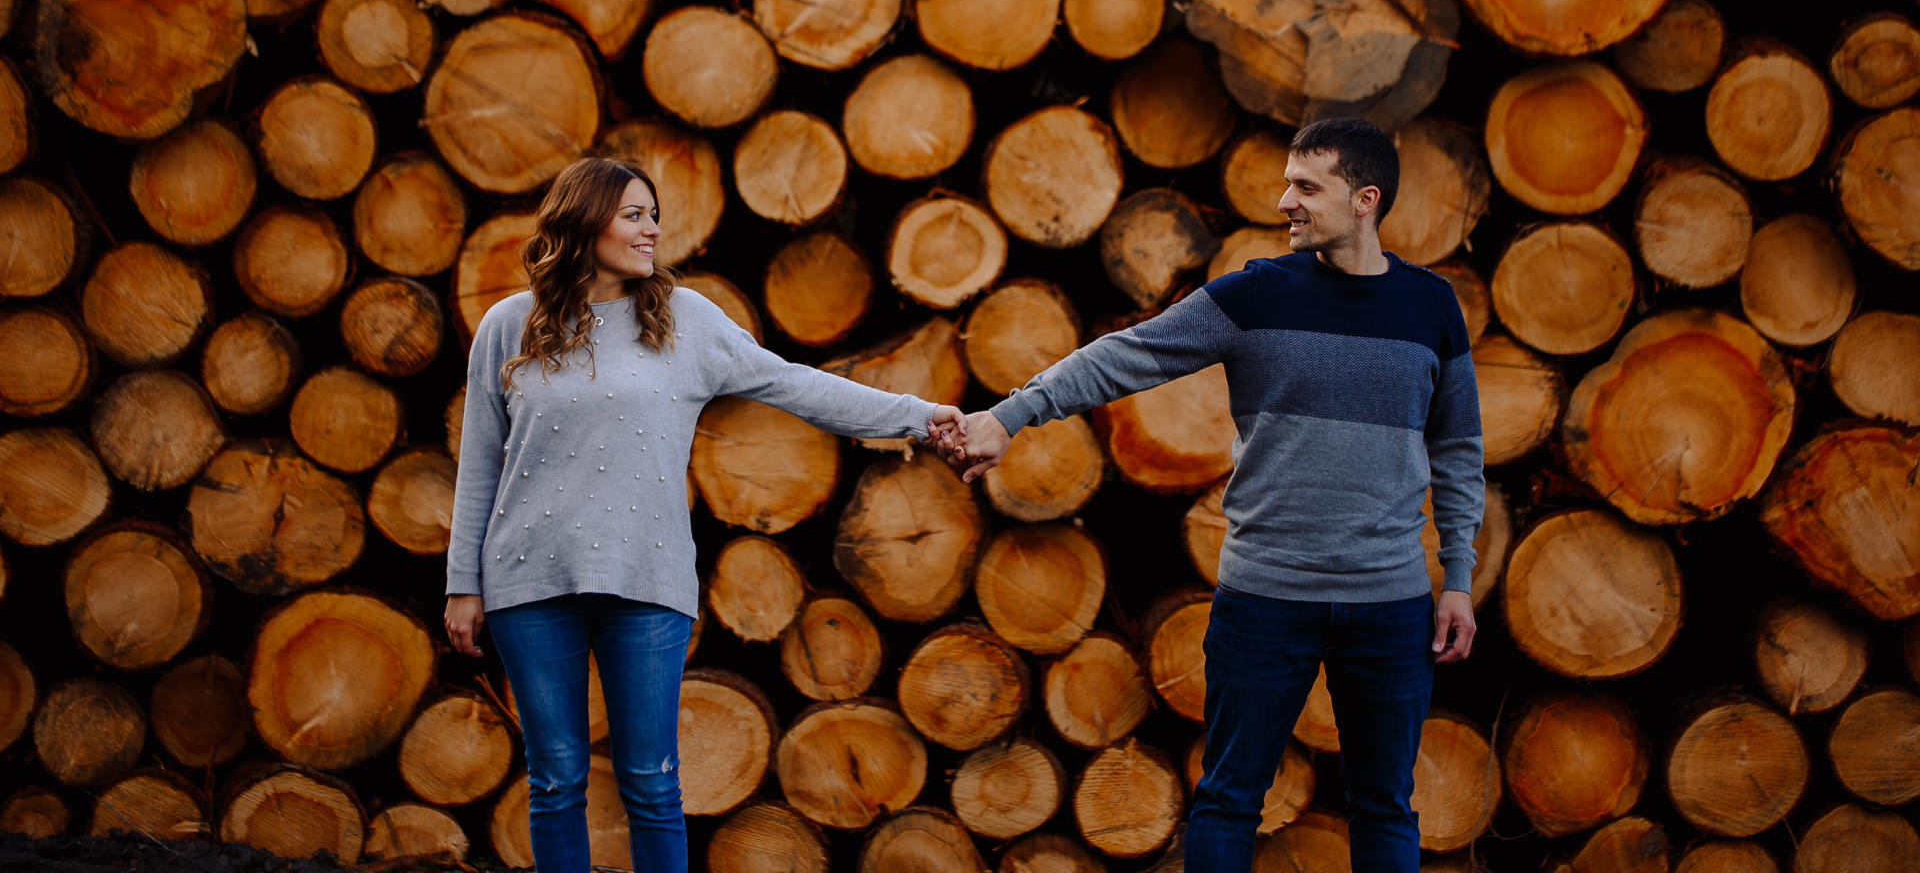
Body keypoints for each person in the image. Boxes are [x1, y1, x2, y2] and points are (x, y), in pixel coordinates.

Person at [942, 117, 1483, 873]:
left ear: (1366, 200)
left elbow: (1457, 449)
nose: (1283, 199)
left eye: (1305, 185)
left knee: (1384, 806)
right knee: (1229, 799)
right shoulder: (1256, 294)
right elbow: (1123, 358)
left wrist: (1457, 577)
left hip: (1387, 608)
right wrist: (1009, 415)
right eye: (1286, 180)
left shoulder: (1430, 308)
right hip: (1264, 602)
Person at [445, 156, 964, 873]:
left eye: (653, 214)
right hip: (529, 584)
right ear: (583, 218)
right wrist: (462, 585)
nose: (652, 229)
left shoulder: (684, 322)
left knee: (652, 783)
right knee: (556, 779)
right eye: (634, 214)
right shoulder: (510, 326)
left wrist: (917, 417)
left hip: (646, 583)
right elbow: (481, 462)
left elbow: (798, 386)